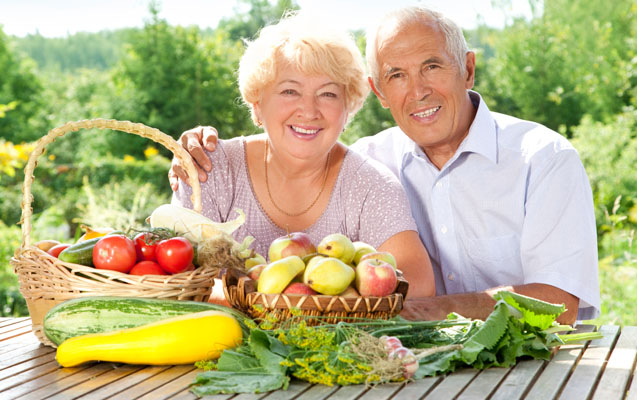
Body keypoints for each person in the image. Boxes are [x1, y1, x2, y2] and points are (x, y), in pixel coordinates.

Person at [170, 7, 600, 324]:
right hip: (414, 360)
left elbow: (558, 304)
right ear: (378, 91)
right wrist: (194, 150)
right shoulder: (373, 159)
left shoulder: (543, 159)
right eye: (397, 75)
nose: (417, 92)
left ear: (467, 69)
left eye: (432, 66)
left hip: (538, 363)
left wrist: (420, 311)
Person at [171, 12, 436, 298]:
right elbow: (177, 279)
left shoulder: (371, 184)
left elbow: (419, 287)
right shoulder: (211, 168)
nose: (309, 111)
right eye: (289, 91)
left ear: (347, 110)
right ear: (258, 105)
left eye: (328, 94)